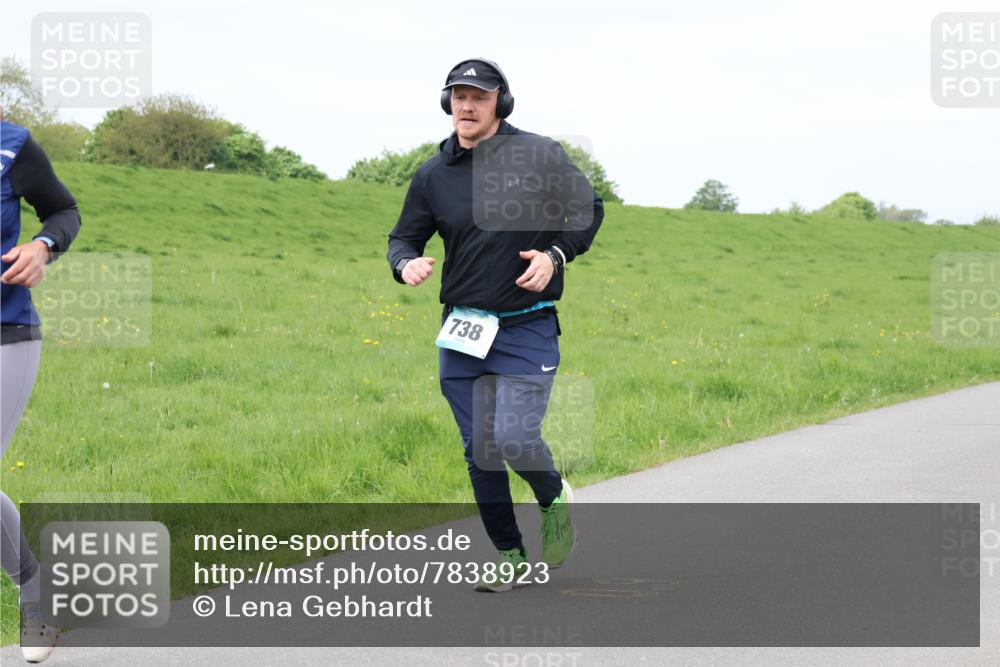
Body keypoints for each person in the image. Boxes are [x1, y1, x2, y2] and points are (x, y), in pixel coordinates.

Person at [387, 58, 603, 592]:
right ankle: (509, 554)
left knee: (512, 436)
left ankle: (552, 495)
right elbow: (402, 238)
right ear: (447, 103)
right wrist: (404, 263)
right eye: (458, 95)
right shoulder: (434, 175)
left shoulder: (540, 154)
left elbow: (588, 210)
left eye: (478, 96)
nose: (466, 104)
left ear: (500, 102)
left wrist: (555, 253)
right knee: (479, 448)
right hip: (463, 331)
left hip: (527, 326)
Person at [1, 118, 83, 663]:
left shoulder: (12, 143)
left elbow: (64, 211)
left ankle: (36, 601)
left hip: (6, 335)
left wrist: (43, 245)